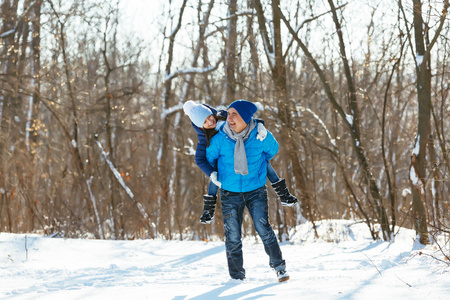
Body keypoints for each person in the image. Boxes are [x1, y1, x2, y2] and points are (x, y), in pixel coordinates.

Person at [206, 99, 290, 282]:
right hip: (229, 193)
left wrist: (263, 130)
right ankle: (237, 277)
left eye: (235, 114)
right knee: (233, 236)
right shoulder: (220, 138)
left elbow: (272, 151)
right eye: (228, 114)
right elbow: (209, 159)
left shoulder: (259, 136)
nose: (230, 118)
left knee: (264, 229)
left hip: (256, 191)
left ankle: (280, 268)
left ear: (245, 117)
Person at [183, 100, 297, 224]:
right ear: (200, 126)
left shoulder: (224, 115)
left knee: (263, 160)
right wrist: (210, 173)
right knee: (216, 174)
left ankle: (283, 194)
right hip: (224, 161)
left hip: (245, 148)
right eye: (205, 122)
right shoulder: (204, 139)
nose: (210, 121)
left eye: (209, 116)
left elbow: (245, 118)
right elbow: (199, 159)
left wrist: (260, 125)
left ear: (211, 112)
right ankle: (208, 210)